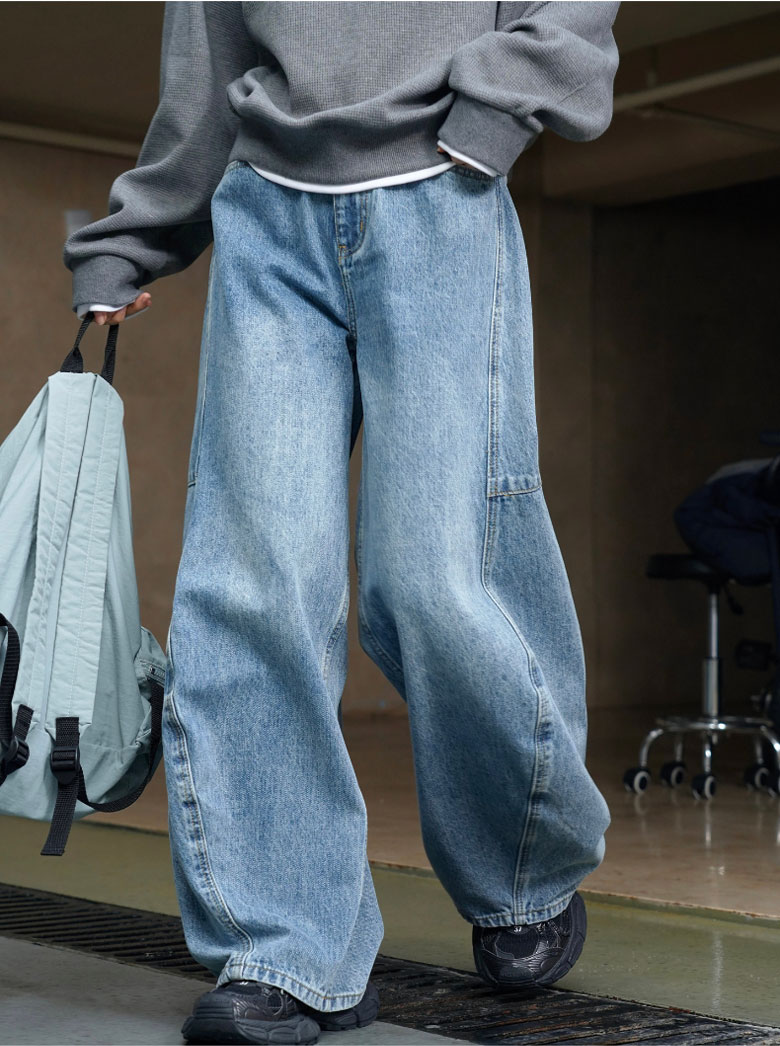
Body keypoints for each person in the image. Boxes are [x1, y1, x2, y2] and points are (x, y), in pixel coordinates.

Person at [63, 4, 620, 1043]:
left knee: (435, 579)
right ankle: (286, 948)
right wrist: (134, 240)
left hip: (444, 192)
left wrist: (490, 118)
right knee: (253, 587)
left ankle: (522, 867)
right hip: (267, 216)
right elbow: (206, 70)